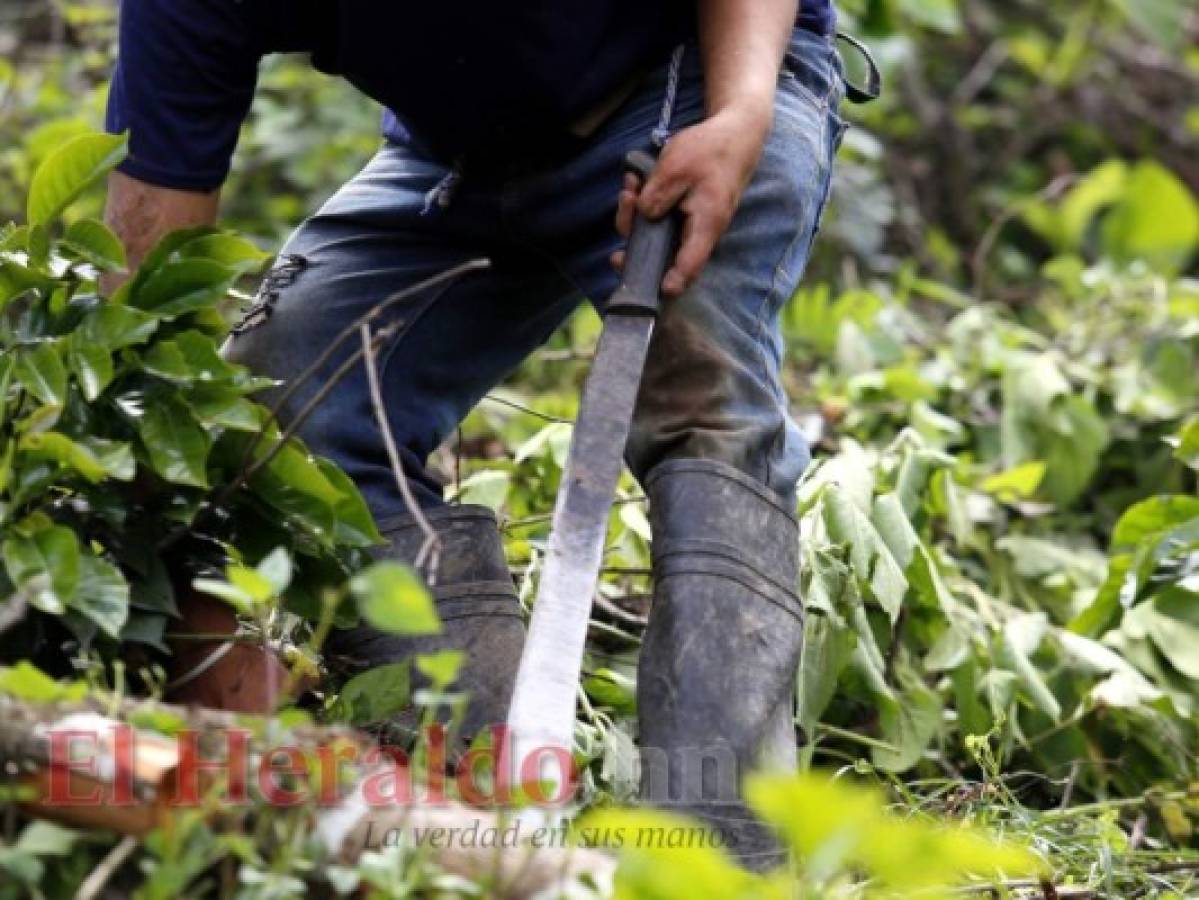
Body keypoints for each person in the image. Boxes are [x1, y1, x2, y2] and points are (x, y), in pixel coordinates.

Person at [103, 0, 872, 869]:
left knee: (702, 407)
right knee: (284, 401)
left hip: (701, 80)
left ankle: (723, 859)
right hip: (455, 159)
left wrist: (738, 115)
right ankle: (481, 828)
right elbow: (147, 295)